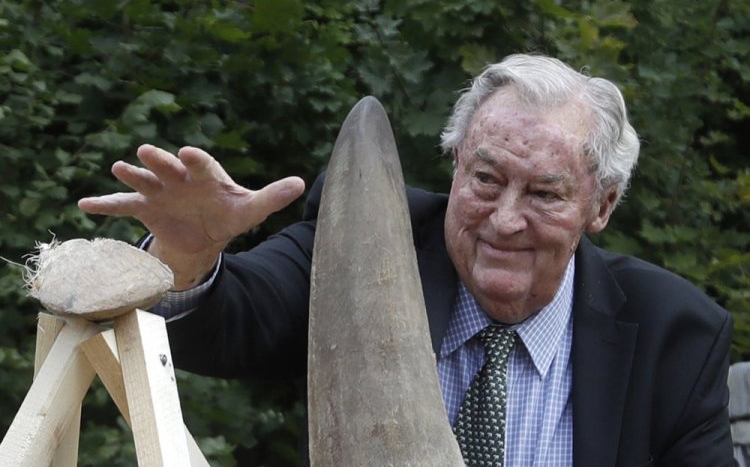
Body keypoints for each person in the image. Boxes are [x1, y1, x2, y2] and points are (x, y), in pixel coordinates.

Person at [79, 54, 735, 466]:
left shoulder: (677, 333)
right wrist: (189, 254)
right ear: (455, 162)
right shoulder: (365, 248)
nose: (505, 219)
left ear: (602, 206)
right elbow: (227, 322)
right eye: (485, 179)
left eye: (543, 193)